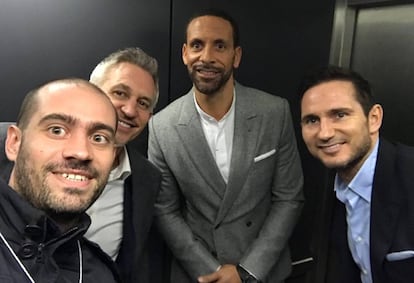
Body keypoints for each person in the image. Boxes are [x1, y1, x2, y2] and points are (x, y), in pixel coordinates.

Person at [148, 9, 304, 283]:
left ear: (236, 55)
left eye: (219, 46)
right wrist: (212, 272)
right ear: (185, 53)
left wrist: (248, 271)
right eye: (197, 45)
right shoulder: (161, 127)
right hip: (199, 273)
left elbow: (289, 198)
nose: (206, 57)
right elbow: (165, 210)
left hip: (263, 271)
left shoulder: (274, 112)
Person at [299, 65, 414, 283]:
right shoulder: (326, 191)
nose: (325, 133)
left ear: (374, 119)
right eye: (312, 120)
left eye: (340, 115)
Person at [0, 79, 120, 282]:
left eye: (99, 138)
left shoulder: (101, 274)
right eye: (57, 130)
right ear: (14, 143)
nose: (81, 152)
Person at [87, 47, 162, 283]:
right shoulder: (16, 149)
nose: (130, 110)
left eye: (143, 103)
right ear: (91, 92)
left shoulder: (146, 179)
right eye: (120, 93)